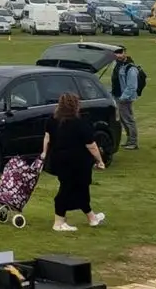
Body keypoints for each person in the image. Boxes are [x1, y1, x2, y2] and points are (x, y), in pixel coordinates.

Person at [40, 92, 106, 232]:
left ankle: (92, 218)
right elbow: (91, 146)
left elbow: (47, 138)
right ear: (76, 106)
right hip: (77, 162)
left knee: (81, 188)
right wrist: (100, 161)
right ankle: (58, 222)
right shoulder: (80, 123)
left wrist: (45, 153)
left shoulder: (52, 120)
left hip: (59, 160)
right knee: (67, 190)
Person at [110, 48, 141, 150]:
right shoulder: (118, 65)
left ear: (125, 53)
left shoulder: (131, 68)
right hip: (118, 96)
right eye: (116, 53)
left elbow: (132, 86)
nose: (118, 55)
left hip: (124, 98)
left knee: (128, 120)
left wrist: (123, 98)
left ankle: (133, 142)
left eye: (120, 53)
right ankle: (129, 141)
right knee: (123, 120)